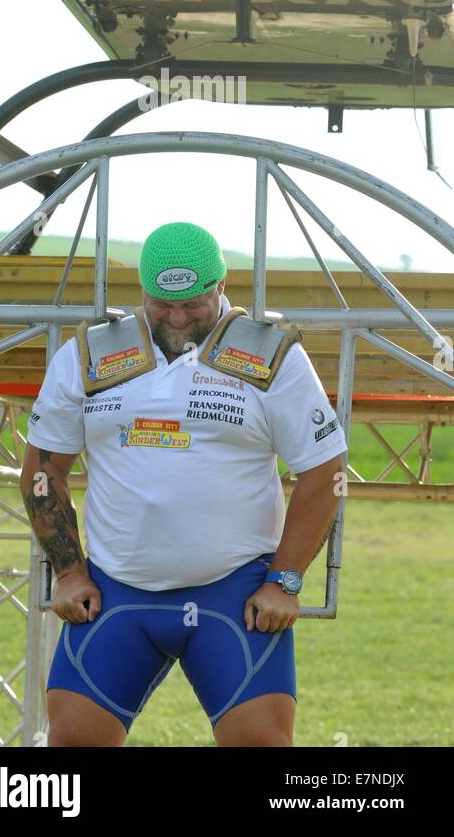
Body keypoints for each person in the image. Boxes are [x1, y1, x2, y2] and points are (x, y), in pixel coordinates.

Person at [21, 221, 347, 748]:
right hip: (115, 592)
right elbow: (42, 470)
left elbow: (324, 470)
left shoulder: (272, 357)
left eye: (192, 305)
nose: (175, 319)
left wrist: (284, 580)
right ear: (142, 293)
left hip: (234, 593)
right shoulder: (89, 355)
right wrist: (68, 570)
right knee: (69, 750)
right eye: (160, 305)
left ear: (221, 286)